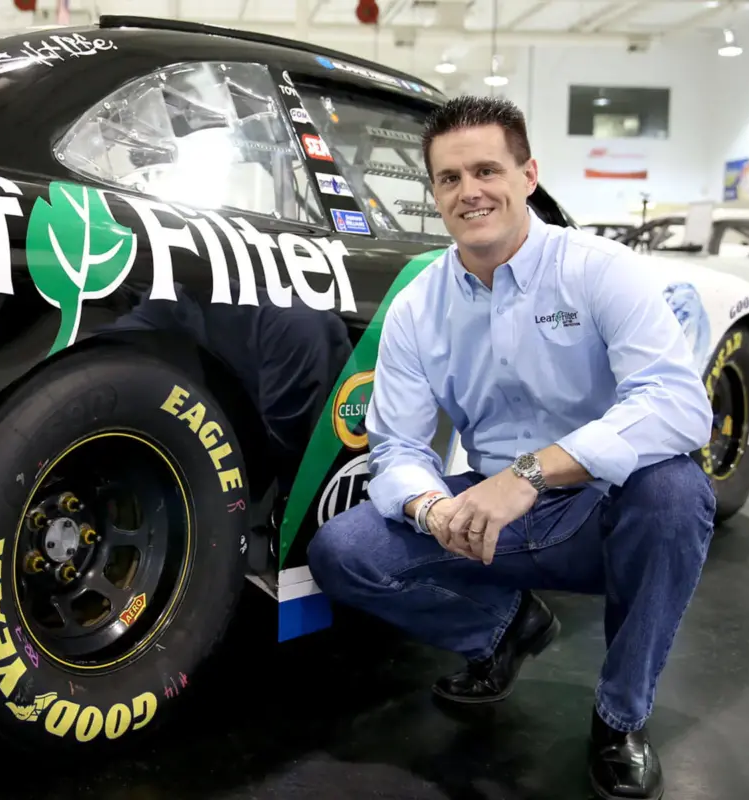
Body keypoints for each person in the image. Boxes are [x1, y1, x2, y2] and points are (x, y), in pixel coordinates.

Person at [307, 95, 716, 800]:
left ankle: (620, 718)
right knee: (345, 551)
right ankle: (503, 629)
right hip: (491, 517)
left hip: (600, 511)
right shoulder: (418, 305)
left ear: (529, 174)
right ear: (434, 194)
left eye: (487, 170)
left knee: (676, 493)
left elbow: (679, 406)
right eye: (449, 178)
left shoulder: (598, 269)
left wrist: (533, 472)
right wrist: (433, 507)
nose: (471, 192)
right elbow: (397, 445)